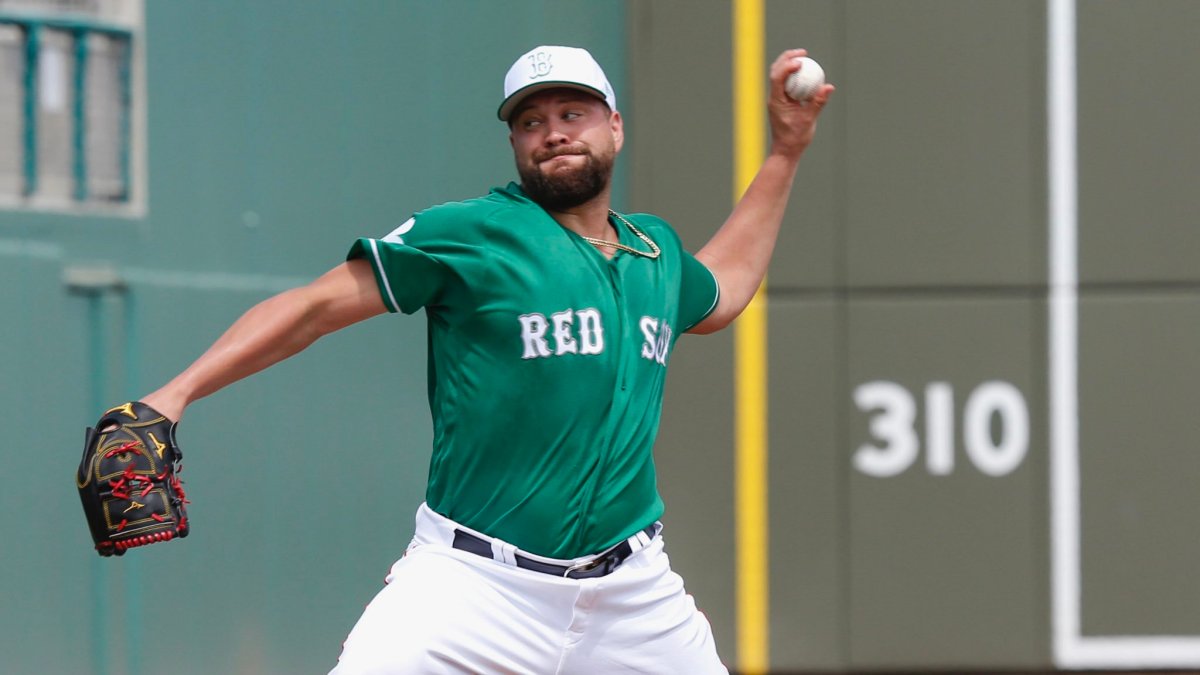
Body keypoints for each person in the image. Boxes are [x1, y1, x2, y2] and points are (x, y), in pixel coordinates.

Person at [137, 45, 832, 673]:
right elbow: (313, 307)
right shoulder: (470, 233)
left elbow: (727, 288)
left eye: (573, 111)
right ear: (513, 143)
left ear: (615, 127)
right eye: (530, 121)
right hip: (474, 586)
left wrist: (785, 153)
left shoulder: (655, 252)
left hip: (633, 593)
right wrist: (178, 392)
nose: (554, 130)